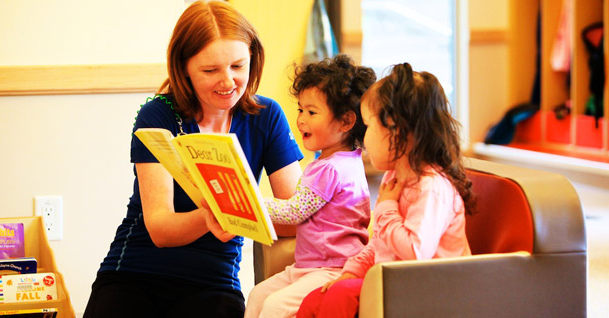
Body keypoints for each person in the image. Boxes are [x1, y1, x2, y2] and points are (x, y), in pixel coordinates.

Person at [83, 1, 303, 318]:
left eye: (238, 66)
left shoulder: (266, 117)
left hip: (213, 282)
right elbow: (159, 229)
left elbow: (297, 218)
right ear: (184, 67)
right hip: (134, 272)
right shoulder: (158, 114)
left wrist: (249, 213)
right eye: (210, 70)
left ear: (253, 59)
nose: (228, 82)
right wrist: (210, 217)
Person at [296, 63, 476, 318]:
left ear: (396, 131)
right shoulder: (394, 178)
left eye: (369, 127)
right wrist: (352, 270)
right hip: (395, 281)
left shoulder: (432, 188)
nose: (364, 138)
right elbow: (381, 243)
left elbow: (415, 252)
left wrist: (387, 208)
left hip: (430, 288)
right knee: (316, 299)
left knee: (340, 296)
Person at [244, 54, 376, 318]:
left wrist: (249, 201)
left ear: (346, 122)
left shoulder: (331, 168)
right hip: (308, 266)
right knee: (258, 294)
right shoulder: (341, 161)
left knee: (275, 306)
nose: (301, 119)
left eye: (312, 112)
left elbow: (295, 211)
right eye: (300, 110)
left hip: (332, 268)